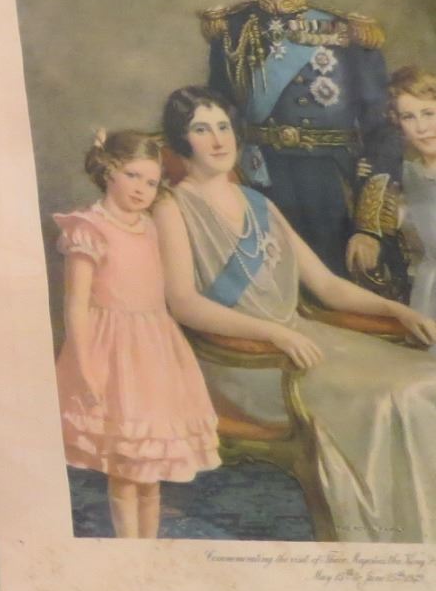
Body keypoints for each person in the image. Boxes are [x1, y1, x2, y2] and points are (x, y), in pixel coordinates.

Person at [151, 86, 436, 543]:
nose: (219, 140)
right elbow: (184, 303)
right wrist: (274, 335)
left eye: (223, 126)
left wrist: (396, 310)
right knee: (393, 395)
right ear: (182, 140)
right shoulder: (172, 206)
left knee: (425, 378)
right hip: (247, 362)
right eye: (201, 130)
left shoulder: (259, 203)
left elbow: (325, 285)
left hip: (304, 338)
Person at [198, 0, 392, 277]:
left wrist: (369, 226)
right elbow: (216, 114)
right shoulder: (230, 29)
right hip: (260, 181)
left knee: (336, 283)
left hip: (330, 186)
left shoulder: (346, 31)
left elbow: (382, 130)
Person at [53, 130, 220, 539]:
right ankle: (128, 550)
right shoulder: (89, 228)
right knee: (126, 469)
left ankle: (149, 549)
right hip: (112, 355)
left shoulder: (149, 226)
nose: (142, 189)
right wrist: (86, 368)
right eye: (133, 176)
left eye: (151, 181)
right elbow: (76, 305)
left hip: (155, 352)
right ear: (109, 170)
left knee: (151, 471)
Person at [349, 66, 436, 322]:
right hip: (428, 297)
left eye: (429, 113)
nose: (421, 127)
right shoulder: (402, 177)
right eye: (408, 117)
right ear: (397, 122)